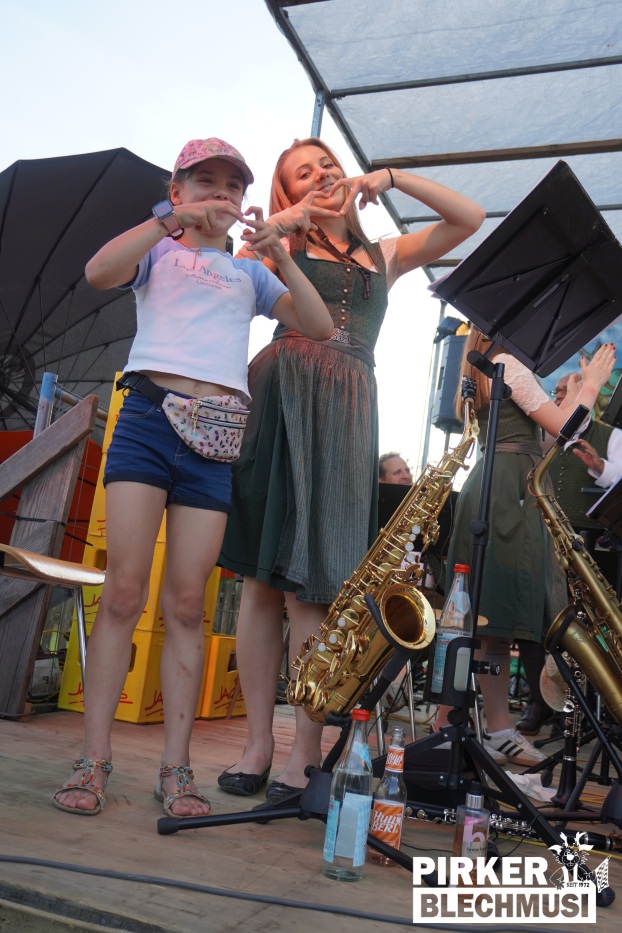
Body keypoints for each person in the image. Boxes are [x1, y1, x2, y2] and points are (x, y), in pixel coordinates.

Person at [52, 137, 333, 816]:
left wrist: (279, 254)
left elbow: (320, 326)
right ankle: (93, 760)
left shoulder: (248, 274)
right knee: (123, 592)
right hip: (147, 419)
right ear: (177, 190)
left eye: (232, 185)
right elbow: (98, 271)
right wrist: (168, 221)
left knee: (186, 604)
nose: (220, 194)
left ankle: (176, 769)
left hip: (215, 438)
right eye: (204, 181)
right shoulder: (159, 248)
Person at [218, 136, 485, 800]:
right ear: (287, 193)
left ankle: (304, 751)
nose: (320, 176)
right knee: (261, 585)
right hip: (283, 395)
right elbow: (237, 268)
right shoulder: (279, 244)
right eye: (302, 174)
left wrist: (390, 176)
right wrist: (290, 220)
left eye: (327, 166)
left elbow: (469, 219)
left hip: (346, 410)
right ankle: (257, 743)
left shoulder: (383, 253)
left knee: (318, 586)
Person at [435, 330, 616, 765]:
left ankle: (491, 728)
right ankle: (471, 728)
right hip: (507, 492)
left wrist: (576, 396)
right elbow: (564, 430)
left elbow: (546, 440)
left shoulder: (487, 366)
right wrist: (591, 386)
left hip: (501, 484)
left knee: (490, 621)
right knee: (490, 618)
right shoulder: (507, 365)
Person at [516, 368, 622, 735]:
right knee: (531, 622)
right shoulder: (546, 434)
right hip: (543, 541)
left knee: (590, 627)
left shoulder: (611, 436)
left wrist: (599, 466)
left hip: (592, 548)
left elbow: (619, 481)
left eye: (566, 389)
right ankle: (540, 699)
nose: (559, 396)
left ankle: (583, 708)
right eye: (557, 392)